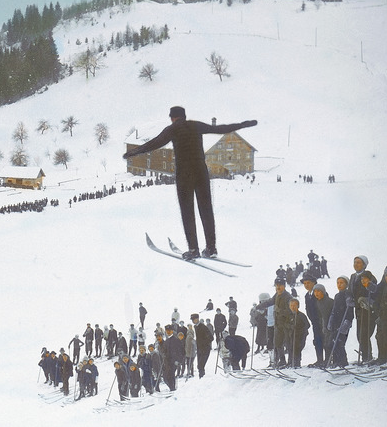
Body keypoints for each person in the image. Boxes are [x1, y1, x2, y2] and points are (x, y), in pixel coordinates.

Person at [122, 106, 257, 259]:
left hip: (184, 173)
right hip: (201, 171)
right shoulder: (195, 125)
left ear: (173, 117)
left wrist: (133, 152)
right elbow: (221, 129)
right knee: (206, 209)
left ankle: (194, 249)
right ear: (184, 116)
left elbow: (154, 144)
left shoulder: (172, 129)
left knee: (188, 211)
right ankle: (211, 248)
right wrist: (243, 124)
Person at [256, 278, 293, 368]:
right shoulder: (277, 295)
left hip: (286, 323)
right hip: (278, 324)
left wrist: (279, 311)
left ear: (284, 286)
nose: (278, 287)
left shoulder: (288, 296)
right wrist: (259, 306)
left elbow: (291, 310)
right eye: (276, 286)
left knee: (288, 343)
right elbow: (270, 302)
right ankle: (282, 361)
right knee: (278, 343)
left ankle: (291, 361)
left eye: (280, 285)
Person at [327, 277, 355, 367]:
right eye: (338, 283)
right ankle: (336, 361)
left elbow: (350, 312)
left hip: (344, 322)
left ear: (346, 284)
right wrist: (331, 321)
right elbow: (334, 310)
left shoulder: (348, 294)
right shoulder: (337, 295)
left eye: (342, 283)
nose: (339, 285)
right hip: (336, 322)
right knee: (332, 342)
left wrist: (346, 324)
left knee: (339, 342)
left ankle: (343, 362)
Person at [355, 269, 379, 364]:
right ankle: (365, 356)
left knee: (365, 334)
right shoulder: (360, 287)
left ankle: (368, 356)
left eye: (365, 279)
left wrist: (369, 301)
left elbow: (377, 298)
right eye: (362, 279)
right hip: (361, 314)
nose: (363, 281)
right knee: (360, 335)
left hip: (371, 314)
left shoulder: (373, 287)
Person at [301, 273, 324, 367]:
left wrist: (320, 320)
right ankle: (319, 360)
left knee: (325, 340)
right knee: (317, 341)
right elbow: (308, 309)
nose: (306, 285)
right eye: (305, 283)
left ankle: (327, 359)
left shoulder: (319, 292)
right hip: (315, 322)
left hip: (322, 321)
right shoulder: (307, 295)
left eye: (308, 283)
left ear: (314, 283)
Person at [311, 284, 334, 367]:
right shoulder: (318, 302)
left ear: (323, 292)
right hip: (323, 326)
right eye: (315, 291)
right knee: (325, 342)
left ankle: (330, 360)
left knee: (329, 343)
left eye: (319, 291)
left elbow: (331, 314)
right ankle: (327, 361)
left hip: (330, 325)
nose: (316, 293)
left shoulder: (328, 301)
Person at [160, 325, 184, 391]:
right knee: (165, 377)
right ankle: (171, 387)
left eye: (169, 331)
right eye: (167, 331)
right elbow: (164, 351)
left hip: (174, 362)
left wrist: (179, 361)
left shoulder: (176, 340)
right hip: (167, 362)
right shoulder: (166, 341)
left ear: (172, 331)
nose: (168, 332)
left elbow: (181, 351)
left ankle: (172, 388)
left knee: (171, 375)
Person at [287, 298, 310, 368]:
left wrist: (299, 328)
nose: (293, 307)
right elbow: (286, 324)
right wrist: (291, 326)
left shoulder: (301, 315)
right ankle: (290, 362)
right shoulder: (289, 315)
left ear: (298, 306)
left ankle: (297, 363)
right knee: (290, 348)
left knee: (297, 349)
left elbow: (307, 325)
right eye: (291, 305)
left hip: (300, 336)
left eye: (294, 305)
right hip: (291, 335)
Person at [191, 314, 213, 378]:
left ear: (197, 319)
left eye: (194, 320)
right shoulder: (195, 327)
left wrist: (202, 343)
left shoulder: (203, 327)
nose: (193, 321)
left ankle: (202, 379)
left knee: (201, 365)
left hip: (205, 349)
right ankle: (201, 379)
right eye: (192, 320)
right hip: (199, 349)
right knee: (199, 366)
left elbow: (211, 338)